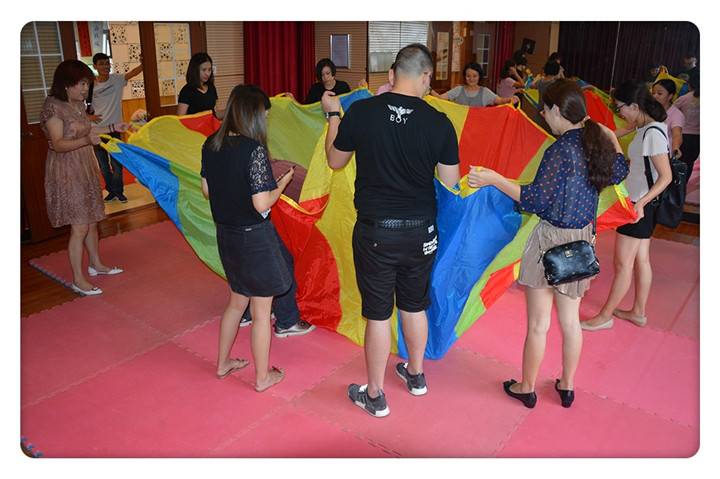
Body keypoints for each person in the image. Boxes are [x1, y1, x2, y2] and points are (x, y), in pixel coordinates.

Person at [467, 78, 629, 408]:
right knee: (570, 323)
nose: (544, 116)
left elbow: (535, 200)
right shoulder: (595, 144)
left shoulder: (560, 150)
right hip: (581, 242)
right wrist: (612, 137)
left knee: (538, 325)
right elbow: (620, 171)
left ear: (557, 110)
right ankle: (567, 386)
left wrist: (495, 179)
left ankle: (526, 387)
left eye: (545, 110)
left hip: (549, 243)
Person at [321, 43, 461, 417]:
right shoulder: (440, 122)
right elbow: (451, 184)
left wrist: (333, 116)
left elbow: (335, 160)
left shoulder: (361, 112)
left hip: (376, 232)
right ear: (427, 77)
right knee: (414, 306)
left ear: (391, 75)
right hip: (421, 233)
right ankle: (415, 375)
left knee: (379, 314)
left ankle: (375, 394)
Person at [200, 84, 295, 392]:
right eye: (264, 114)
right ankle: (263, 377)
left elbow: (206, 190)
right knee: (261, 312)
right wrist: (282, 183)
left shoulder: (211, 143)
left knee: (236, 302)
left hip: (226, 235)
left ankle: (223, 363)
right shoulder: (253, 150)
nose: (266, 120)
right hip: (254, 239)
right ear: (253, 115)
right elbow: (261, 203)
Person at [581, 80, 673, 331]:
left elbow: (666, 177)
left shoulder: (652, 133)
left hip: (639, 205)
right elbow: (612, 134)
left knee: (623, 264)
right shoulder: (643, 126)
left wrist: (641, 204)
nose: (618, 112)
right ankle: (638, 313)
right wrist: (591, 126)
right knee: (641, 260)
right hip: (640, 202)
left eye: (620, 107)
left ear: (635, 105)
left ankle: (605, 316)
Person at [40, 60, 130, 296]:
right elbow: (58, 144)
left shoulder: (78, 104)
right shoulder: (53, 106)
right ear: (66, 84)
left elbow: (88, 130)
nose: (85, 89)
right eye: (81, 84)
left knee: (91, 219)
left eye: (87, 85)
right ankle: (78, 280)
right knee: (79, 225)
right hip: (66, 169)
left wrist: (113, 127)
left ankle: (96, 264)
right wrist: (85, 141)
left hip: (84, 164)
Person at [89, 53, 143, 203]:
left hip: (116, 129)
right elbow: (83, 105)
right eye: (101, 64)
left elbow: (133, 73)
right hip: (98, 130)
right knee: (103, 165)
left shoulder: (117, 80)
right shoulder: (91, 84)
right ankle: (111, 191)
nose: (105, 66)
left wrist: (143, 62)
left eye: (107, 63)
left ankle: (119, 192)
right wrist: (89, 116)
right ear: (95, 66)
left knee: (117, 163)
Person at [431, 62, 519, 107]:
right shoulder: (458, 90)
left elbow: (500, 101)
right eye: (468, 76)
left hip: (477, 128)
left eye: (474, 76)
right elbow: (440, 98)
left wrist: (510, 99)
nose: (471, 79)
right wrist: (429, 89)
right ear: (465, 76)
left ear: (479, 76)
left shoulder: (485, 92)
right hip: (459, 127)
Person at [177, 52, 223, 119]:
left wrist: (229, 111)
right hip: (194, 126)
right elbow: (181, 119)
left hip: (210, 125)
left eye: (209, 70)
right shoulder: (186, 91)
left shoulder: (211, 88)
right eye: (204, 70)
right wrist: (198, 116)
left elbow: (215, 114)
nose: (207, 73)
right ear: (195, 70)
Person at [674, 75, 699, 184]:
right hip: (698, 137)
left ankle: (676, 184)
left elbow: (670, 112)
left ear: (689, 86)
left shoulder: (684, 98)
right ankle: (684, 184)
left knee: (679, 161)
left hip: (683, 135)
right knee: (690, 162)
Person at [651, 79, 684, 157]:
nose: (655, 96)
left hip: (663, 155)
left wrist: (676, 148)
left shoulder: (676, 114)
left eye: (660, 93)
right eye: (653, 93)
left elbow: (677, 134)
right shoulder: (650, 110)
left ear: (670, 96)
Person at [530, 61, 563, 135]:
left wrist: (537, 77)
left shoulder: (541, 81)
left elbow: (531, 85)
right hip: (550, 116)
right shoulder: (555, 84)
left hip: (539, 115)